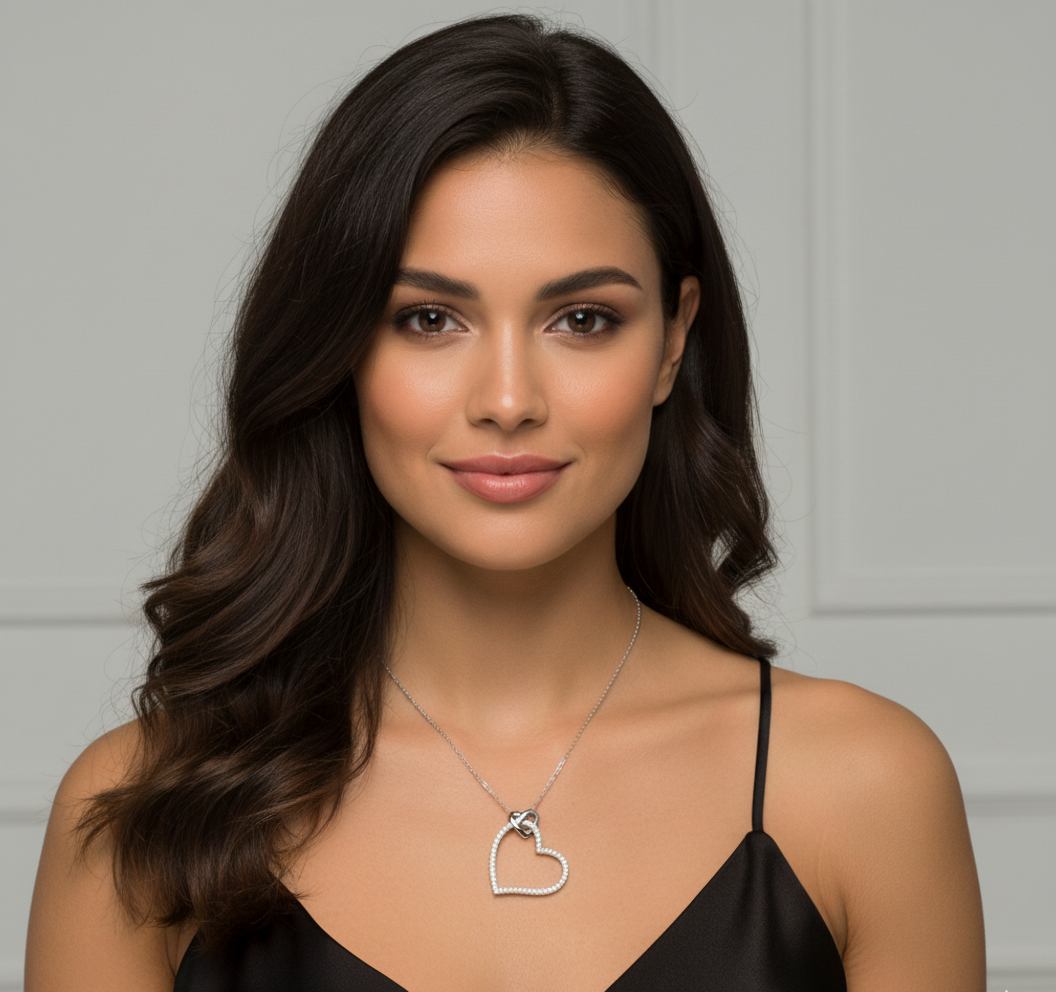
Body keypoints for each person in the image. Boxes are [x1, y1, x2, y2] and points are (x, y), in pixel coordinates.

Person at [25, 13, 985, 991]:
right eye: (429, 319)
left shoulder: (865, 787)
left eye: (583, 319)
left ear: (671, 340)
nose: (509, 400)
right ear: (340, 346)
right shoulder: (140, 808)